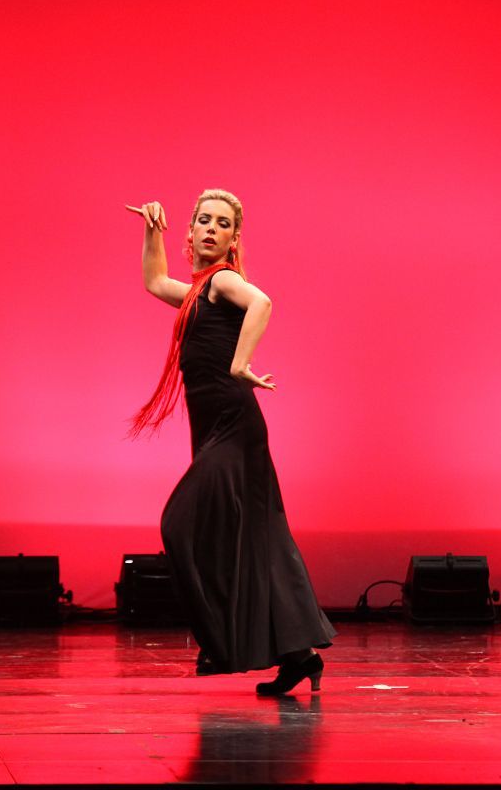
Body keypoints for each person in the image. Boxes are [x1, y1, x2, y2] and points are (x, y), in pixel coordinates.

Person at [127, 190, 335, 694]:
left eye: (223, 224)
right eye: (204, 220)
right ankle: (299, 656)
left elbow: (262, 301)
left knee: (180, 524)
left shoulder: (222, 281)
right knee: (256, 540)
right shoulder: (197, 291)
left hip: (234, 427)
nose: (212, 229)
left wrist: (240, 363)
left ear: (234, 240)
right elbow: (155, 281)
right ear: (190, 232)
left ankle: (221, 641)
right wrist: (152, 229)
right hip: (216, 428)